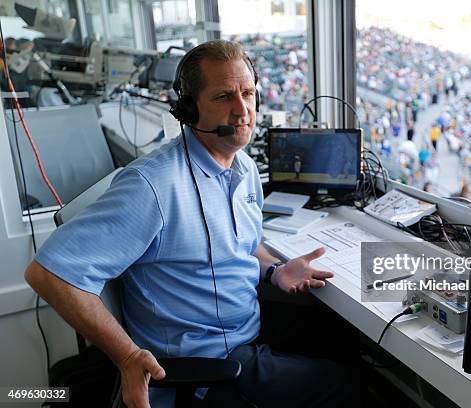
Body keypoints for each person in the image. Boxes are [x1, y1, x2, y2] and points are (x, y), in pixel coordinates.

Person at [24, 40, 355, 408]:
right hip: (206, 368)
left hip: (247, 332)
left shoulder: (241, 167)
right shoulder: (152, 186)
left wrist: (274, 270)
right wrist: (128, 357)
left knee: (346, 341)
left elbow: (245, 244)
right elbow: (48, 274)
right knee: (343, 384)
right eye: (223, 97)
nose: (242, 110)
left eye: (248, 93)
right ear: (188, 109)